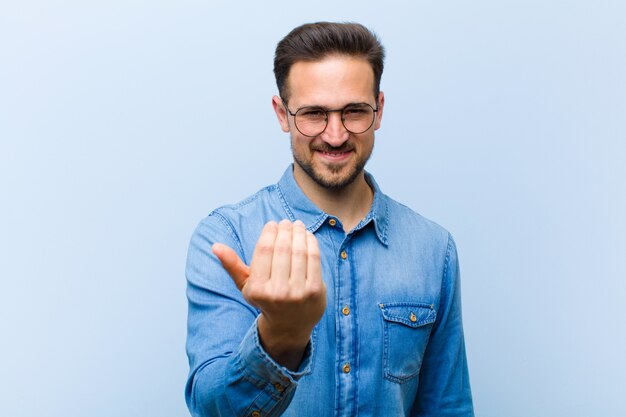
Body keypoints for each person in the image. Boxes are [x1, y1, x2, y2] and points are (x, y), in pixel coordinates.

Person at [185, 22, 474, 417]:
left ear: (379, 109)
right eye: (314, 113)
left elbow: (449, 409)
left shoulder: (433, 249)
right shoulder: (227, 238)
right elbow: (212, 410)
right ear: (282, 114)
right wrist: (281, 335)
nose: (335, 135)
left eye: (354, 111)